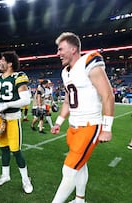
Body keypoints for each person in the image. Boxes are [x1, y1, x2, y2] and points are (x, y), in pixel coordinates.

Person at [51, 32, 115, 203]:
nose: (58, 53)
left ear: (73, 49)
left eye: (61, 49)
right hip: (73, 127)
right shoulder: (65, 72)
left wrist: (107, 128)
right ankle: (80, 200)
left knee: (69, 170)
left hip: (89, 125)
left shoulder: (89, 63)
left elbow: (108, 95)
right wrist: (59, 122)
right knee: (81, 165)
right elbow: (67, 100)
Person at [0, 51, 33, 194]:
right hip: (0, 119)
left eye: (2, 60)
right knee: (4, 149)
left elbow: (26, 99)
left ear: (9, 64)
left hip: (13, 118)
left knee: (16, 151)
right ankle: (5, 175)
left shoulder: (18, 77)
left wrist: (7, 105)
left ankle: (26, 180)